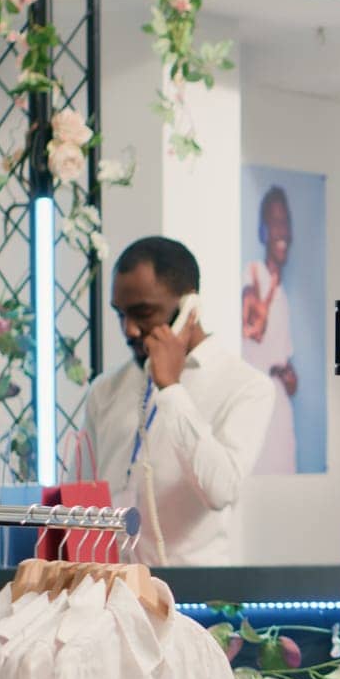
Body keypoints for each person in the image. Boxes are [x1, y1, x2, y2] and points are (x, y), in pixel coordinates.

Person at [83, 236, 277, 566]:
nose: (129, 330)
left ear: (189, 308)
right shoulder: (106, 390)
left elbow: (220, 490)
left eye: (143, 313)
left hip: (196, 597)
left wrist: (171, 389)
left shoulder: (247, 387)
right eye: (120, 315)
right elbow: (83, 497)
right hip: (112, 593)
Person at [242, 185, 299, 474]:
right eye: (274, 222)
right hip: (256, 410)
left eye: (285, 221)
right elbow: (252, 327)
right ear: (263, 231)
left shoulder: (283, 293)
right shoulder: (252, 274)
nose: (282, 230)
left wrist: (289, 378)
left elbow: (282, 358)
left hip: (281, 411)